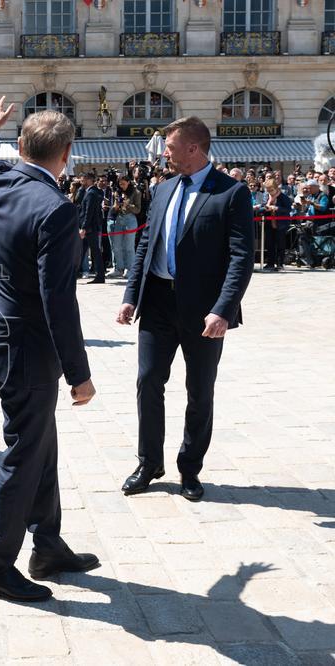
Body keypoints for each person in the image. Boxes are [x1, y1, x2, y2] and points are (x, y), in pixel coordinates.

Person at [0, 98, 97, 603]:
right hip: (27, 350)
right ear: (66, 154)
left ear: (19, 147)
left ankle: (47, 545)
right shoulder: (56, 209)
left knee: (40, 442)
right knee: (26, 453)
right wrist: (78, 373)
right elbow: (57, 299)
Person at [117, 117, 254, 502]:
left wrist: (224, 310)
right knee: (148, 381)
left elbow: (241, 258)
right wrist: (131, 295)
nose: (165, 153)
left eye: (171, 147)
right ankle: (149, 463)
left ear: (194, 149)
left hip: (204, 313)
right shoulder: (162, 190)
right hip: (158, 302)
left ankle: (190, 468)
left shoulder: (232, 193)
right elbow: (146, 246)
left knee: (199, 390)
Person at [107, 175, 141, 278]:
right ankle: (119, 268)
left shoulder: (136, 192)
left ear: (128, 182)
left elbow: (138, 209)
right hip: (119, 218)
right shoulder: (117, 192)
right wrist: (115, 206)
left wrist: (128, 205)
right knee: (116, 245)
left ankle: (129, 268)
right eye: (120, 184)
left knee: (129, 246)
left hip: (130, 219)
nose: (121, 186)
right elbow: (114, 209)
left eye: (123, 184)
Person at [77, 172, 105, 283]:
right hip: (89, 227)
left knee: (94, 251)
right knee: (82, 250)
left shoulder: (91, 193)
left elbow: (89, 212)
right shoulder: (90, 192)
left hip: (90, 228)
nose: (81, 181)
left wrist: (84, 227)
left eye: (83, 179)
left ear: (89, 180)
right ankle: (75, 272)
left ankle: (100, 275)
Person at [261, 177, 292, 271]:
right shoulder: (266, 196)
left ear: (276, 188)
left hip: (281, 224)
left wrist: (276, 208)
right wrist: (266, 208)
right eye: (268, 190)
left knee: (280, 244)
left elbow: (288, 209)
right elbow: (261, 208)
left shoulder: (283, 197)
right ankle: (270, 263)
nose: (270, 192)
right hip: (269, 224)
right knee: (269, 244)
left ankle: (280, 263)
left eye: (271, 190)